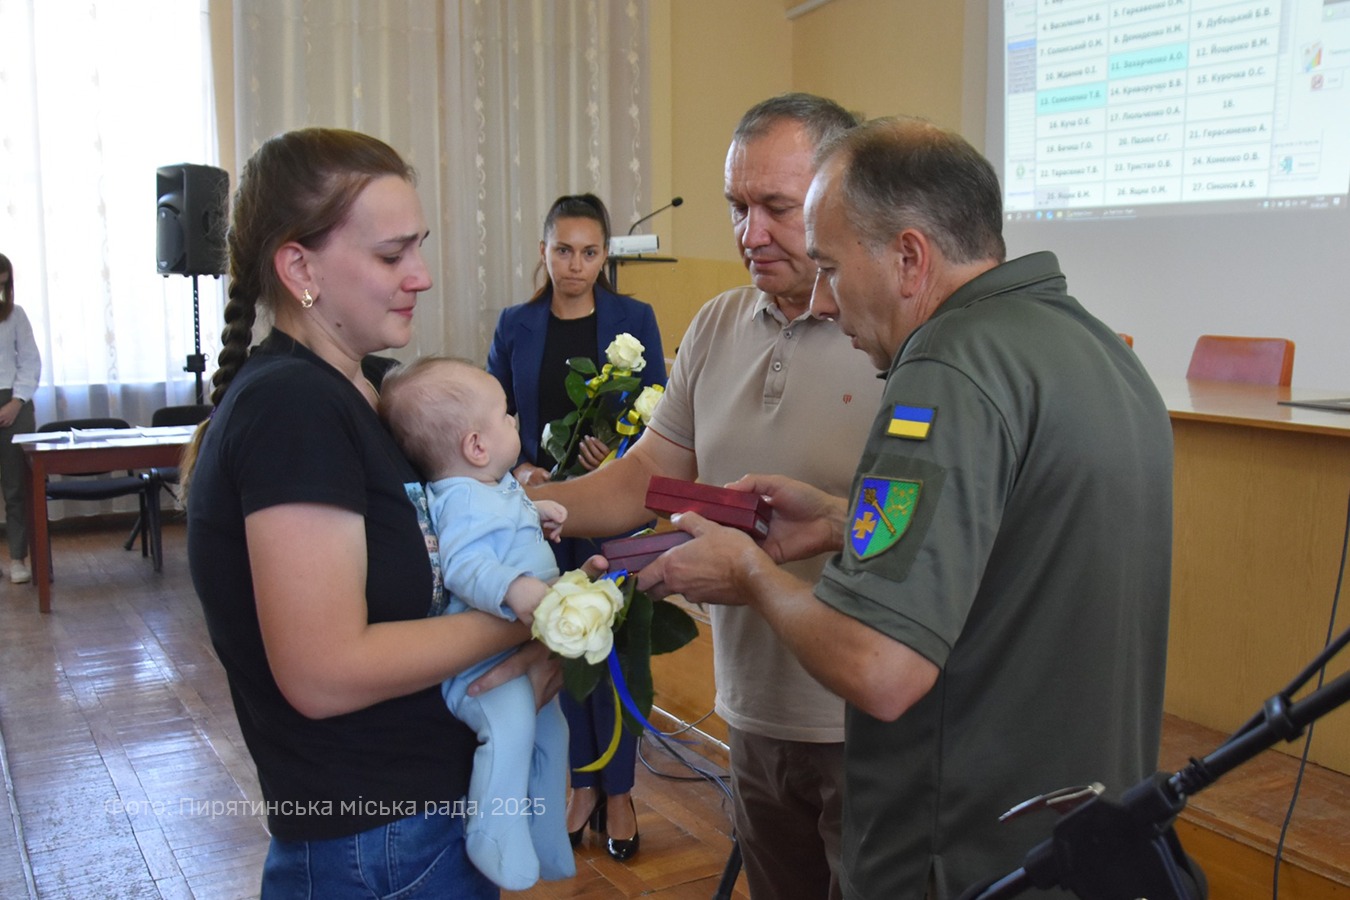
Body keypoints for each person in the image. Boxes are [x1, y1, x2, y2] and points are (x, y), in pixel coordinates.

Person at [637, 116, 1174, 899]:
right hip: (1081, 841)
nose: (822, 299)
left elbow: (878, 667)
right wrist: (836, 514)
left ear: (910, 258)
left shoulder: (948, 368)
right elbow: (1015, 544)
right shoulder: (1091, 351)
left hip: (963, 854)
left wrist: (747, 571)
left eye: (829, 266)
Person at [181, 127, 561, 899]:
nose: (420, 275)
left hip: (421, 821)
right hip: (376, 843)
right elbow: (324, 672)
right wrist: (537, 615)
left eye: (417, 247)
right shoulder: (292, 408)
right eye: (392, 256)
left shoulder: (371, 389)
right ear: (299, 267)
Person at [529, 94, 882, 898]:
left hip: (868, 721)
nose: (749, 234)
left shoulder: (891, 333)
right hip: (753, 712)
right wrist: (531, 508)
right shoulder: (721, 323)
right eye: (737, 207)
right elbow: (642, 480)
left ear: (841, 199)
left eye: (776, 209)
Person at [487, 193, 665, 861]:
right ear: (543, 251)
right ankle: (582, 786)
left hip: (615, 506)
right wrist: (527, 467)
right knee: (567, 647)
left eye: (590, 252)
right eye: (563, 250)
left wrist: (617, 455)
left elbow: (660, 414)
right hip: (544, 515)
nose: (576, 265)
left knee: (617, 651)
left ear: (605, 256)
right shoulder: (515, 325)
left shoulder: (633, 319)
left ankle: (619, 792)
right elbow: (490, 416)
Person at [378, 355, 573, 891]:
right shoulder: (461, 499)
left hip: (507, 655)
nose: (514, 421)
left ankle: (542, 831)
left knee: (553, 732)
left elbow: (505, 525)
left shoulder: (489, 486)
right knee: (511, 731)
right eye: (506, 415)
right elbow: (465, 566)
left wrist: (538, 515)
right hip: (478, 669)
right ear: (476, 446)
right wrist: (517, 590)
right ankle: (492, 831)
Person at [0, 252, 40, 585]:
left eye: (4, 285)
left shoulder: (16, 316)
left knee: (15, 487)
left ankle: (17, 557)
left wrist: (16, 402)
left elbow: (30, 362)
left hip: (13, 403)